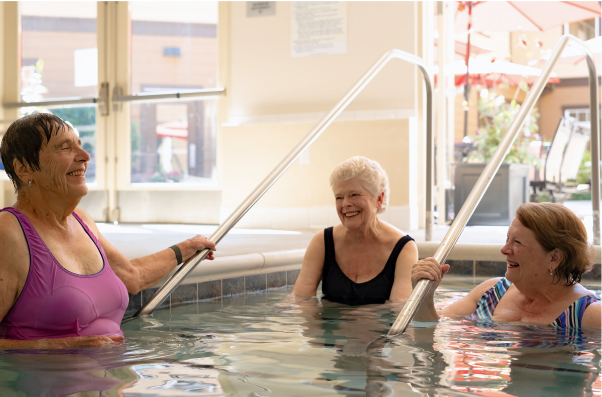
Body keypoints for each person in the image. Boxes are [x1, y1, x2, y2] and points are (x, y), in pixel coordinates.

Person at [0, 113, 217, 348]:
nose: (85, 156)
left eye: (80, 146)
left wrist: (186, 248)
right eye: (64, 148)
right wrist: (56, 347)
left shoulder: (81, 221)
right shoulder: (8, 232)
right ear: (23, 169)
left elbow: (132, 277)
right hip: (45, 381)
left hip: (112, 379)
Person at [412, 202, 601, 328]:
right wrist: (425, 298)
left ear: (554, 258)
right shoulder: (492, 292)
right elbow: (435, 327)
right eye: (507, 239)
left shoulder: (589, 315)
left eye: (517, 242)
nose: (504, 249)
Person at [292, 156, 418, 305]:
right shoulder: (322, 242)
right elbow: (300, 300)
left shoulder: (403, 248)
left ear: (379, 198)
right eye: (339, 197)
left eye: (354, 195)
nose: (345, 204)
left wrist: (352, 318)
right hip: (330, 327)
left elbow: (399, 308)